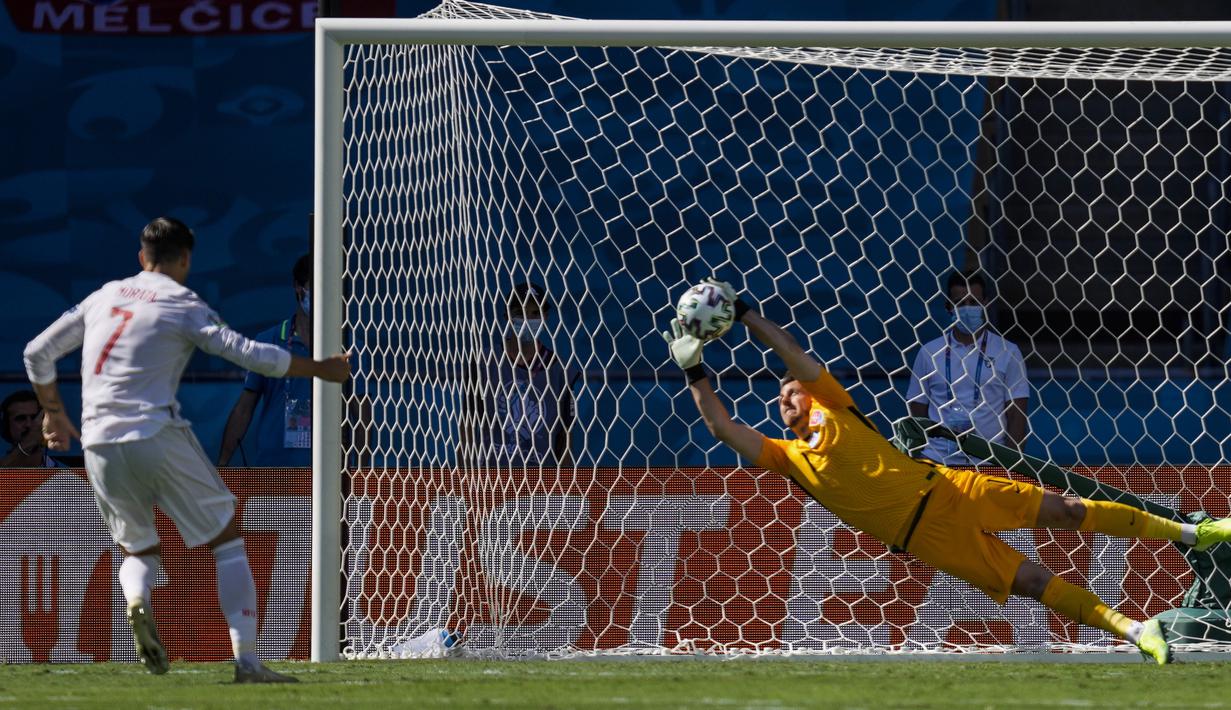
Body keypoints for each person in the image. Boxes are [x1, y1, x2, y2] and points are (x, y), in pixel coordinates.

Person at [663, 278, 1231, 665]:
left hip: (951, 486)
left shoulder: (836, 406)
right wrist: (695, 372)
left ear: (810, 396)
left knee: (1068, 510)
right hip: (926, 537)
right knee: (1031, 581)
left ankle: (1194, 532)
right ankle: (1137, 632)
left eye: (791, 392)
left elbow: (794, 356)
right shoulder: (789, 459)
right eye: (780, 402)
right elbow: (721, 430)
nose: (786, 399)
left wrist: (745, 315)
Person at [23, 217, 351, 682]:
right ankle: (247, 662)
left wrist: (53, 413)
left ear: (141, 257)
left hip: (98, 441)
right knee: (227, 540)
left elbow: (36, 352)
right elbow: (248, 352)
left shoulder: (103, 296)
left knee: (137, 551)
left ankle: (138, 602)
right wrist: (320, 368)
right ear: (185, 260)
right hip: (156, 433)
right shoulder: (182, 302)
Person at [906, 271, 1029, 465]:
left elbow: (1017, 414)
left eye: (974, 302)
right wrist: (919, 457)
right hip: (938, 460)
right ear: (949, 307)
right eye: (960, 303)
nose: (968, 308)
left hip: (989, 461)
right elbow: (917, 408)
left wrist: (1011, 465)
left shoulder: (1008, 351)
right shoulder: (929, 352)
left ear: (985, 304)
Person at [457, 281, 580, 469]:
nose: (527, 320)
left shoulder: (558, 369)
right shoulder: (485, 362)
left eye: (534, 313)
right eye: (520, 313)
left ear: (545, 317)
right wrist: (465, 478)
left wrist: (562, 487)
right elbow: (467, 426)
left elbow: (566, 435)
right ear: (507, 316)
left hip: (540, 483)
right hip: (492, 478)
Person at [0, 390, 68, 467]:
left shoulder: (66, 476)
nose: (29, 425)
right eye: (21, 418)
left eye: (34, 418)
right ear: (6, 426)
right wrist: (28, 442)